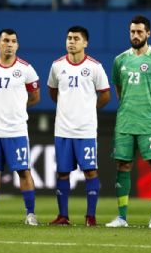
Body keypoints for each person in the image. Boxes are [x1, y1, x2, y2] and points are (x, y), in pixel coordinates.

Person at [106, 15, 151, 228]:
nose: (135, 35)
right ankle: (122, 217)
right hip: (125, 122)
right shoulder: (120, 60)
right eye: (132, 32)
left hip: (150, 123)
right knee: (123, 165)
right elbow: (119, 90)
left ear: (148, 33)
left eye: (140, 32)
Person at [0, 29, 40, 226]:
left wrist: (17, 107)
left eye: (13, 41)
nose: (9, 44)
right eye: (5, 41)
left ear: (17, 45)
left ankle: (30, 214)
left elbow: (35, 97)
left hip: (17, 130)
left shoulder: (26, 69)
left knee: (23, 171)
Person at [47, 26, 110, 226]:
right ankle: (63, 216)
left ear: (85, 43)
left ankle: (90, 216)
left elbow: (105, 95)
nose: (71, 41)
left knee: (90, 171)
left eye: (76, 38)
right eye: (69, 38)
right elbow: (52, 91)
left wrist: (90, 109)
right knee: (63, 172)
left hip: (86, 130)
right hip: (63, 129)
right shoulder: (57, 66)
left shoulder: (94, 67)